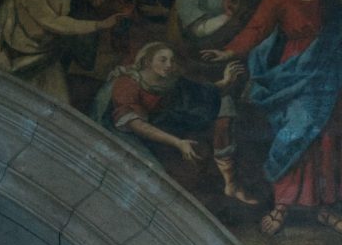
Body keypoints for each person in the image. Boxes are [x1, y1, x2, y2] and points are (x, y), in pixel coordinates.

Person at [203, 0, 342, 237]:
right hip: (295, 72)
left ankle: (325, 207)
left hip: (329, 75)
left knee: (328, 140)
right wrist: (229, 51)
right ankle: (282, 204)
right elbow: (257, 29)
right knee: (294, 135)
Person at [170, 0, 260, 204]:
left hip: (236, 61)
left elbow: (258, 20)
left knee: (237, 120)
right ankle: (224, 183)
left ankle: (234, 181)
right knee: (220, 121)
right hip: (200, 66)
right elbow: (198, 31)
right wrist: (229, 16)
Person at [0, 0, 130, 104]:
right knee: (1, 100)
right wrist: (99, 25)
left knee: (56, 104)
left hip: (45, 59)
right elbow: (54, 22)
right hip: (13, 56)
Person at [94, 41, 246, 173]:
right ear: (147, 61)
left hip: (152, 131)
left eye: (171, 61)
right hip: (120, 133)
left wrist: (226, 81)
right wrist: (177, 142)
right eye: (163, 60)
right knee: (150, 170)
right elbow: (136, 125)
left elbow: (200, 92)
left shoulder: (169, 81)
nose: (169, 65)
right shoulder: (127, 83)